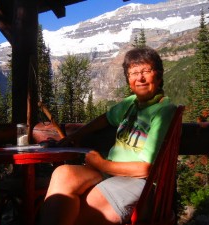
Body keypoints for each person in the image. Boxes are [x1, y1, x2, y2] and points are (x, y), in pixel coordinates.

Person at [38, 47, 177, 225]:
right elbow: (106, 118)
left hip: (140, 182)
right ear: (128, 80)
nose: (139, 78)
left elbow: (146, 169)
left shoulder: (164, 111)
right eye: (133, 73)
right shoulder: (131, 103)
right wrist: (77, 135)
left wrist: (102, 164)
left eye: (146, 71)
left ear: (158, 76)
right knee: (63, 173)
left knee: (70, 213)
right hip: (110, 173)